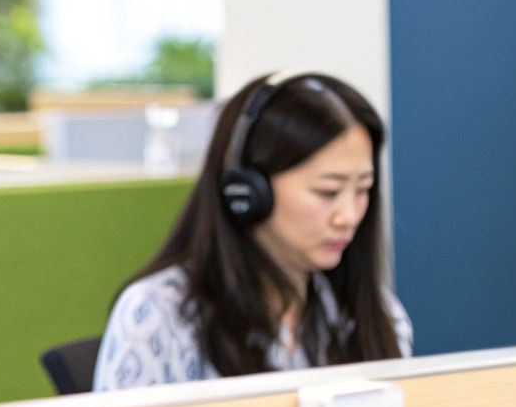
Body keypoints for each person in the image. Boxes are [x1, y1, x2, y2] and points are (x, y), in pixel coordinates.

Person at [94, 72, 412, 390]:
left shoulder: (374, 315)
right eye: (328, 192)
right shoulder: (157, 317)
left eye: (363, 189)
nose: (349, 216)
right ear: (247, 191)